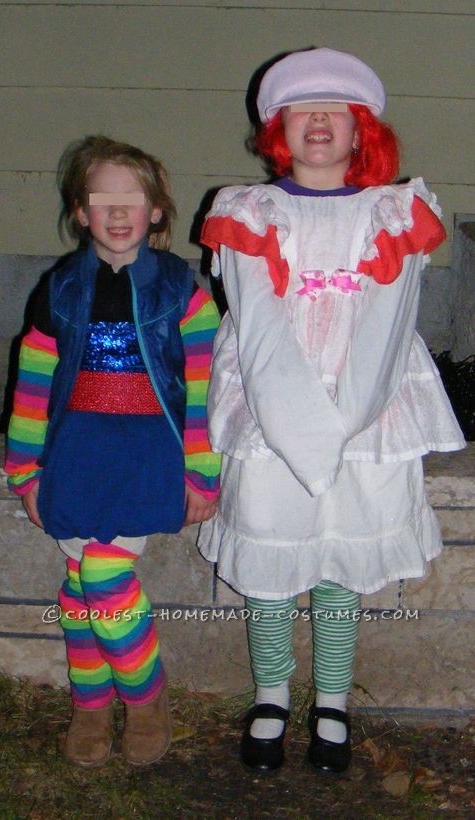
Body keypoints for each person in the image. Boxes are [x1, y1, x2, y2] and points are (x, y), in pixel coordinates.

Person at [198, 48, 465, 773]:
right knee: (271, 557)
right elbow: (255, 323)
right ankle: (272, 692)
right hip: (268, 406)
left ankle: (334, 700)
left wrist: (341, 422)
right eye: (301, 109)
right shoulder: (247, 211)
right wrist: (293, 426)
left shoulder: (394, 210)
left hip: (366, 408)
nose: (318, 120)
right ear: (279, 128)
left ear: (359, 132)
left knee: (337, 562)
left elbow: (385, 321)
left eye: (335, 111)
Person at [5, 135, 221, 767]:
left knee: (104, 579)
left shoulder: (184, 292)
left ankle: (146, 700)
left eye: (135, 198)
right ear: (81, 211)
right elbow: (32, 384)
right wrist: (24, 469)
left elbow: (204, 391)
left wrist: (202, 471)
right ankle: (90, 706)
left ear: (157, 211)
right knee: (77, 589)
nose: (120, 212)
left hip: (146, 454)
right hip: (75, 453)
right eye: (104, 199)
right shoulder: (60, 290)